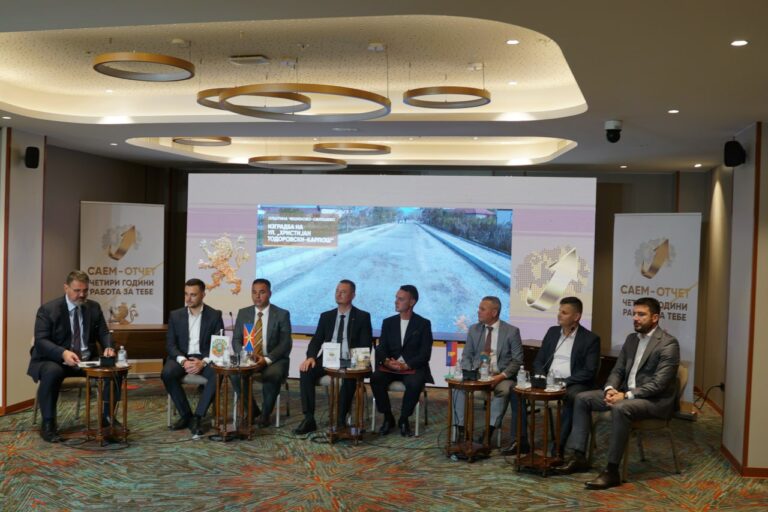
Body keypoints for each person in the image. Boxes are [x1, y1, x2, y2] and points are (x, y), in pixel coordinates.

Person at [559, 297, 680, 490]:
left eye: (641, 314)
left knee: (621, 408)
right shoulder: (631, 339)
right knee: (582, 398)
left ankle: (612, 470)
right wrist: (610, 389)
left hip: (654, 401)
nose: (635, 318)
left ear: (655, 318)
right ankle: (579, 456)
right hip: (625, 394)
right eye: (634, 314)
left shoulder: (668, 344)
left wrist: (626, 396)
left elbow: (659, 384)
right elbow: (618, 370)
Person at [502, 296, 600, 456]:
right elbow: (539, 360)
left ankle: (558, 446)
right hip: (548, 381)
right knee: (515, 389)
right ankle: (520, 440)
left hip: (572, 383)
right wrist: (541, 377)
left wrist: (564, 382)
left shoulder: (590, 339)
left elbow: (589, 371)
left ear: (576, 316)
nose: (559, 315)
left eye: (564, 312)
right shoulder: (553, 332)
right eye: (559, 311)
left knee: (572, 396)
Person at [27, 270, 117, 442]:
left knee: (114, 370)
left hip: (85, 361)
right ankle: (48, 424)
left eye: (85, 290)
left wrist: (108, 347)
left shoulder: (93, 307)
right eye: (77, 290)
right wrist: (63, 353)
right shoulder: (48, 310)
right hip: (55, 360)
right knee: (52, 372)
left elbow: (104, 333)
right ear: (66, 288)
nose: (82, 295)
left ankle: (107, 420)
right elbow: (41, 341)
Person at [294, 280, 373, 435]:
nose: (338, 294)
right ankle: (309, 418)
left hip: (350, 360)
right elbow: (316, 340)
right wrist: (311, 357)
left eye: (343, 291)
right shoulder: (326, 316)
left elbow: (366, 344)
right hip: (329, 359)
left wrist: (356, 362)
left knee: (349, 377)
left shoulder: (362, 317)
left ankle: (340, 420)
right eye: (337, 291)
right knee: (306, 371)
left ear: (353, 295)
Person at [454, 296, 523, 444]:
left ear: (494, 312)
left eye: (482, 309)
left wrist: (500, 376)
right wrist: (469, 373)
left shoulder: (511, 331)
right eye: (479, 308)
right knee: (458, 388)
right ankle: (462, 431)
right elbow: (467, 355)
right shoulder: (474, 329)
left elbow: (517, 361)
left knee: (504, 390)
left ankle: (488, 431)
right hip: (478, 374)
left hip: (500, 376)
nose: (478, 311)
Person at [161, 278, 225, 436]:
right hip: (182, 357)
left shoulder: (215, 315)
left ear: (203, 295)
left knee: (218, 373)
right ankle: (186, 415)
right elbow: (170, 345)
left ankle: (198, 416)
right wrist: (183, 361)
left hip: (204, 357)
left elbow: (219, 345)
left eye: (193, 295)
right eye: (186, 294)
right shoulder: (175, 315)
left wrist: (203, 362)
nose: (188, 299)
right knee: (167, 373)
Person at [370, 285, 434, 437]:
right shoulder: (388, 322)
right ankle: (388, 417)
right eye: (396, 298)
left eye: (401, 299)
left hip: (411, 367)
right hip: (390, 367)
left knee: (415, 383)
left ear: (412, 302)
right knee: (376, 378)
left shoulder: (423, 324)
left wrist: (407, 365)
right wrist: (387, 361)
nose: (396, 301)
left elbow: (425, 354)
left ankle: (404, 419)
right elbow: (381, 348)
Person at [231, 278, 292, 427]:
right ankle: (252, 411)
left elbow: (285, 343)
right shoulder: (244, 313)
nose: (257, 296)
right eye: (254, 292)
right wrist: (245, 354)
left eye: (262, 292)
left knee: (272, 375)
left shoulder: (282, 314)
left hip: (273, 360)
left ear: (270, 293)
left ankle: (265, 415)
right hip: (249, 358)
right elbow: (236, 340)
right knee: (235, 375)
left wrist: (267, 359)